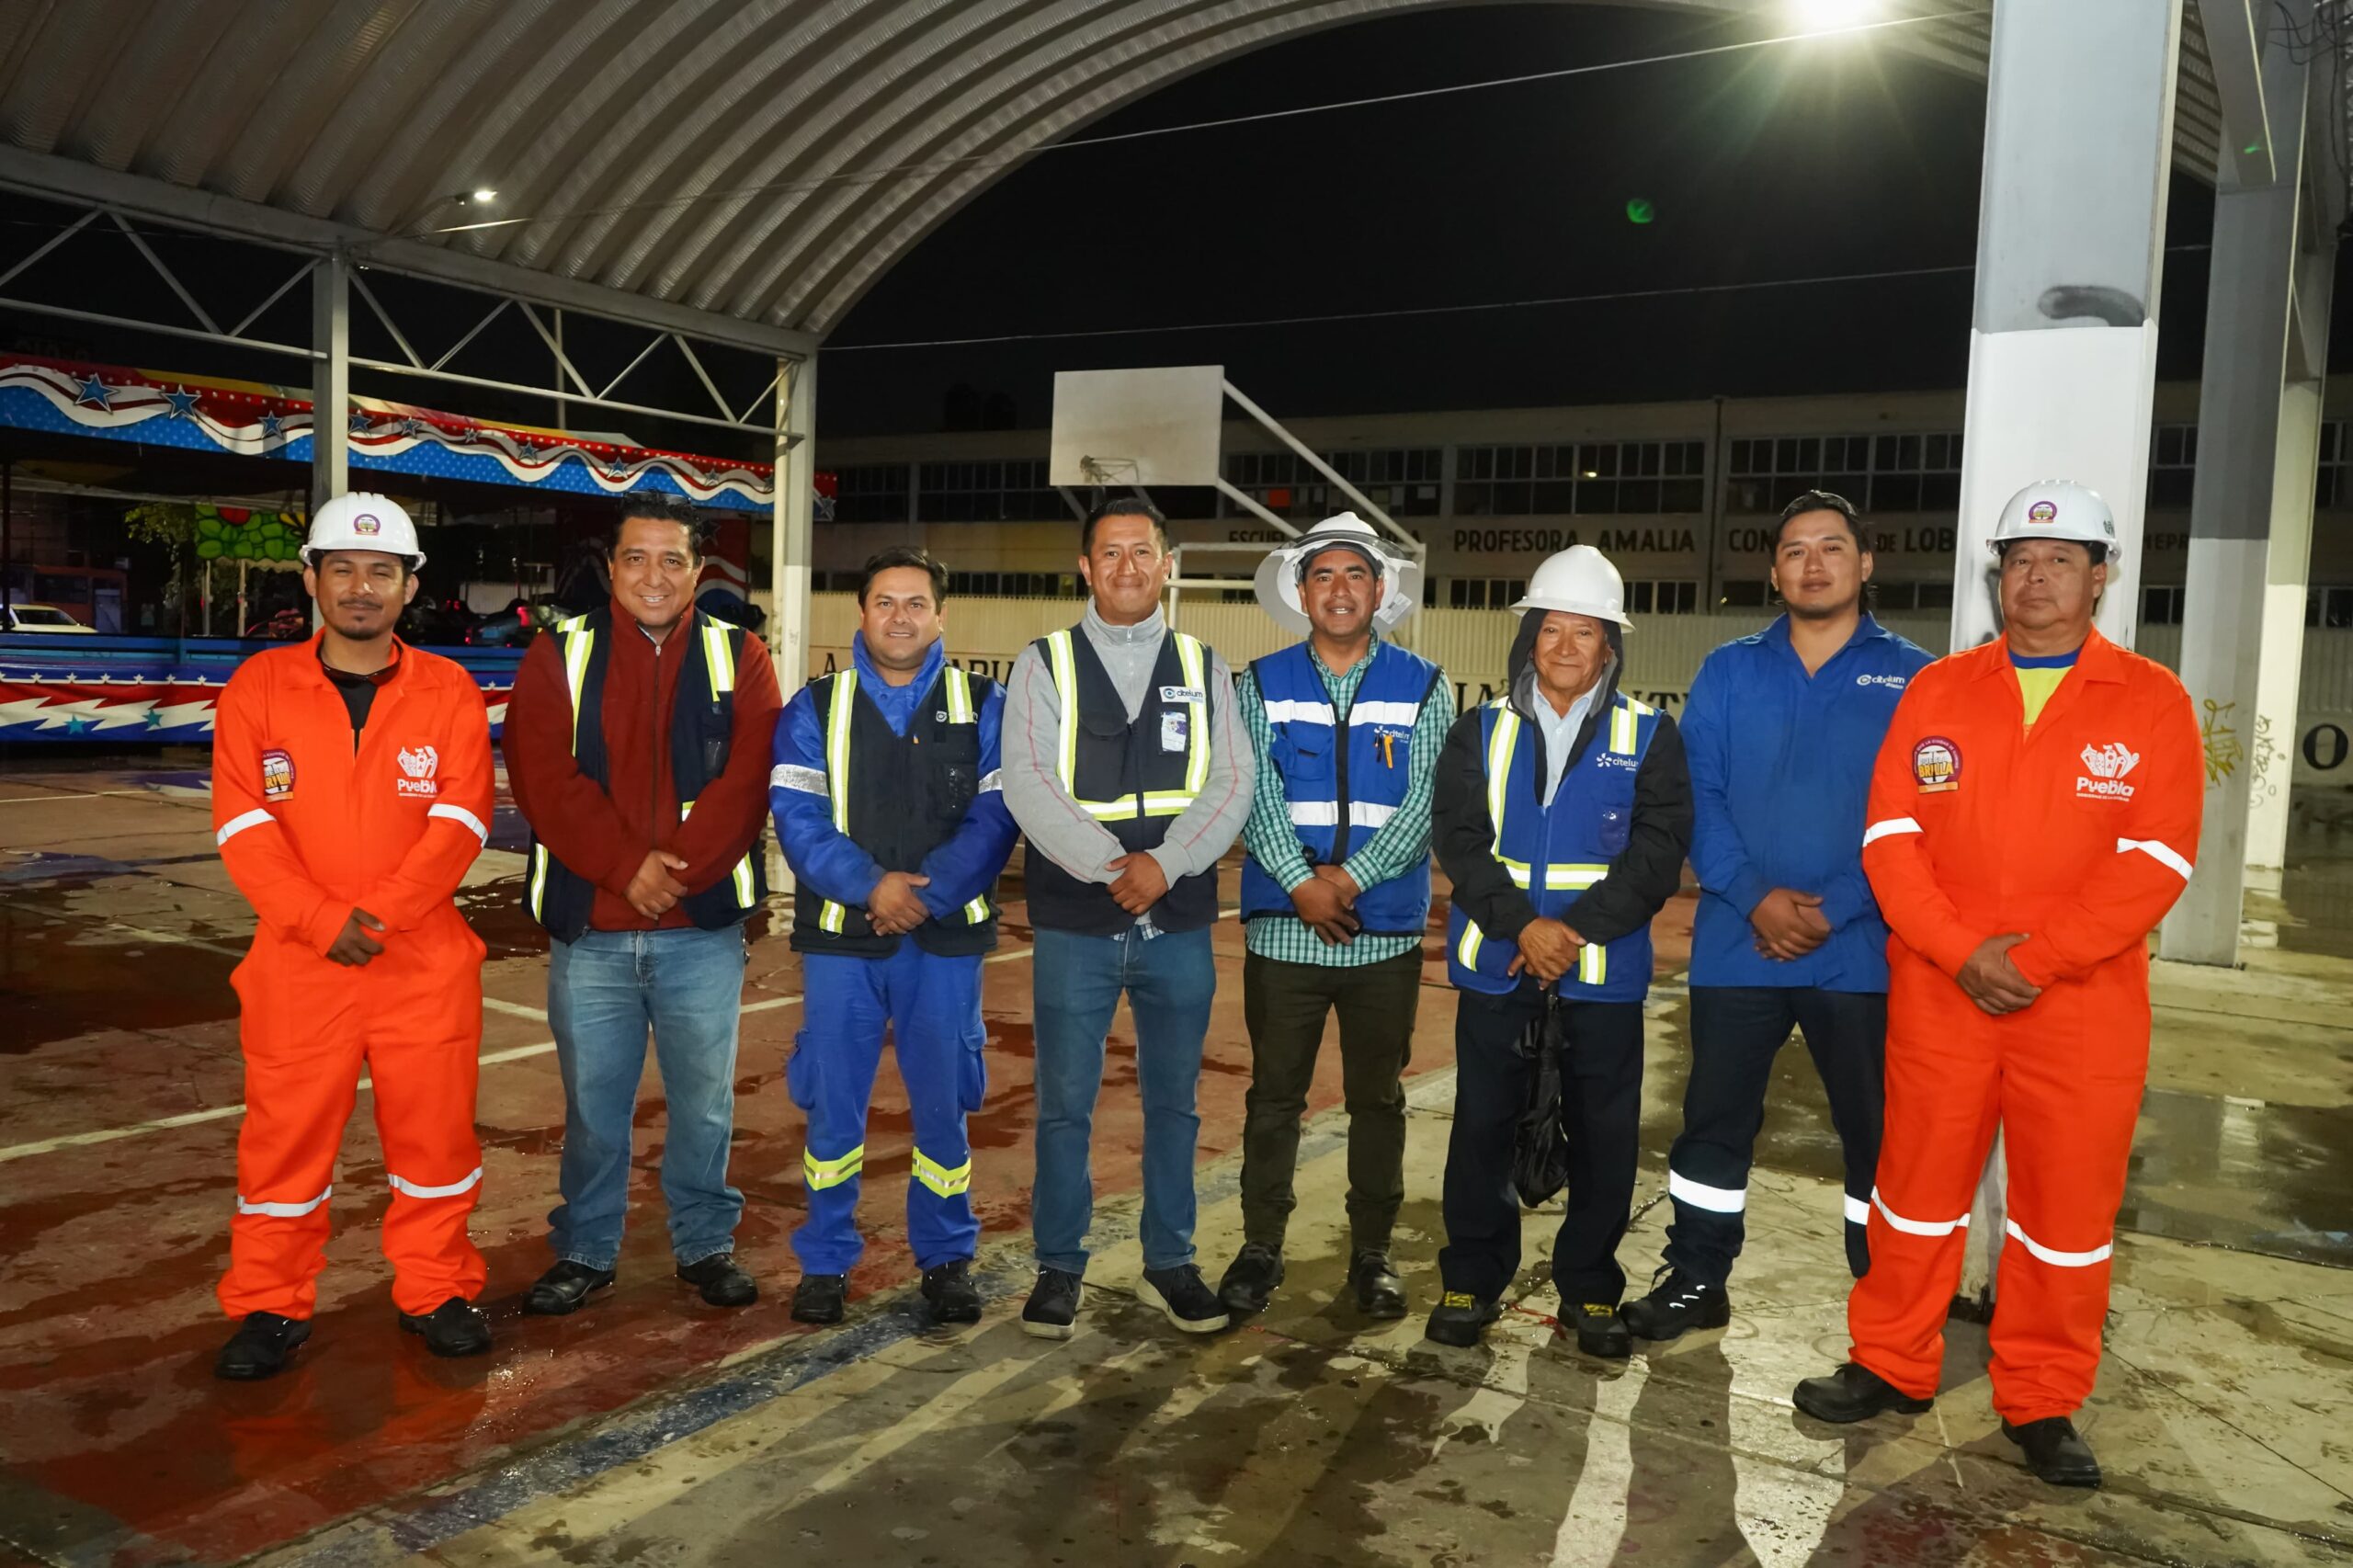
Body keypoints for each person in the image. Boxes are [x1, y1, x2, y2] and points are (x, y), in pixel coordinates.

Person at [1791, 481, 2200, 1490]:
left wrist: (2033, 959)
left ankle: (2042, 1395)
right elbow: (1889, 837)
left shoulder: (2150, 700)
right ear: (1998, 574)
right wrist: (1961, 949)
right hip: (1942, 991)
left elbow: (2155, 860)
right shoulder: (1940, 690)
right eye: (2020, 558)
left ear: (2100, 575)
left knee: (2063, 1217)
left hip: (2082, 1006)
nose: (2036, 575)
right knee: (1914, 1194)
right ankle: (1891, 1360)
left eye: (2061, 559)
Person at [1624, 492, 1932, 1343]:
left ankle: (1887, 1311)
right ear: (1774, 570)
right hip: (1738, 943)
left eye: (1833, 548)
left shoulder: (1915, 677)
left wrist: (1835, 908)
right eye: (1795, 550)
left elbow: (1915, 816)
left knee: (1876, 1137)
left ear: (1866, 565)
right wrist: (1754, 895)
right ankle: (1695, 1276)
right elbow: (1699, 795)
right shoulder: (1729, 669)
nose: (1814, 564)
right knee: (1714, 1126)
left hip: (1860, 951)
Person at [209, 492, 494, 1378]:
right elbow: (242, 826)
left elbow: (461, 822)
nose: (361, 588)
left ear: (410, 587)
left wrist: (381, 920)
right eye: (343, 570)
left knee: (436, 1142)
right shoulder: (259, 688)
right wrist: (324, 922)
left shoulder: (447, 690)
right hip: (300, 966)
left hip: (423, 966)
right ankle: (268, 1306)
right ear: (312, 579)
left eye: (381, 572)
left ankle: (437, 1287)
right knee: (283, 1144)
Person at [504, 494, 781, 1317]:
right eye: (636, 558)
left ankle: (703, 1243)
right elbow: (543, 777)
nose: (653, 576)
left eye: (672, 560)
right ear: (610, 567)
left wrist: (678, 873)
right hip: (592, 931)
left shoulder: (744, 656)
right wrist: (627, 869)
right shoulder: (563, 652)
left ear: (698, 570)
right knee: (594, 1108)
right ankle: (587, 1249)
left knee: (704, 1101)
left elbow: (749, 779)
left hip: (700, 928)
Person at [1425, 545, 1691, 1356]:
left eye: (1586, 633)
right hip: (1500, 970)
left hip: (1599, 977)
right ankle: (1472, 1279)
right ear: (1531, 636)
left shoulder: (1651, 734)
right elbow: (1461, 843)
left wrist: (1568, 933)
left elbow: (1658, 854)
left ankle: (1590, 1290)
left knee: (1605, 1137)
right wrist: (1522, 928)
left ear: (1611, 647)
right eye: (1552, 629)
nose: (1566, 647)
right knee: (1481, 1132)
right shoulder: (1481, 729)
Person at [1000, 494, 1254, 1338]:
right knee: (1065, 1104)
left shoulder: (1206, 664)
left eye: (1142, 552)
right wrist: (1118, 870)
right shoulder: (1044, 663)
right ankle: (1059, 1268)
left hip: (1176, 921)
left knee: (1174, 1104)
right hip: (1078, 920)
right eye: (1109, 554)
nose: (1127, 568)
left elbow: (1232, 784)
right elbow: (1029, 783)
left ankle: (1171, 1260)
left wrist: (1166, 866)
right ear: (1085, 567)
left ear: (1167, 563)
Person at [768, 548, 1018, 1326]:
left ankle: (946, 1258)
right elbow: (798, 819)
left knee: (943, 1107)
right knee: (832, 1111)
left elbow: (998, 814)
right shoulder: (814, 706)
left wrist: (928, 894)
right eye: (885, 602)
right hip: (844, 941)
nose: (901, 617)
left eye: (916, 603)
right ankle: (826, 1261)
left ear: (942, 615)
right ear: (862, 612)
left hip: (943, 943)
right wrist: (870, 886)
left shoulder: (988, 704)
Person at [1217, 514, 1450, 1321]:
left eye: (1356, 575)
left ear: (1381, 592)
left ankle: (1374, 1255)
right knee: (1273, 1098)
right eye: (1324, 576)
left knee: (1377, 1100)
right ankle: (1259, 1250)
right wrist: (1298, 883)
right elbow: (1250, 794)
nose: (1341, 589)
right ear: (1302, 592)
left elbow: (1424, 804)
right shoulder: (1259, 683)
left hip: (1380, 934)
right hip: (1287, 931)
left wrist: (1346, 879)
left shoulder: (1425, 685)